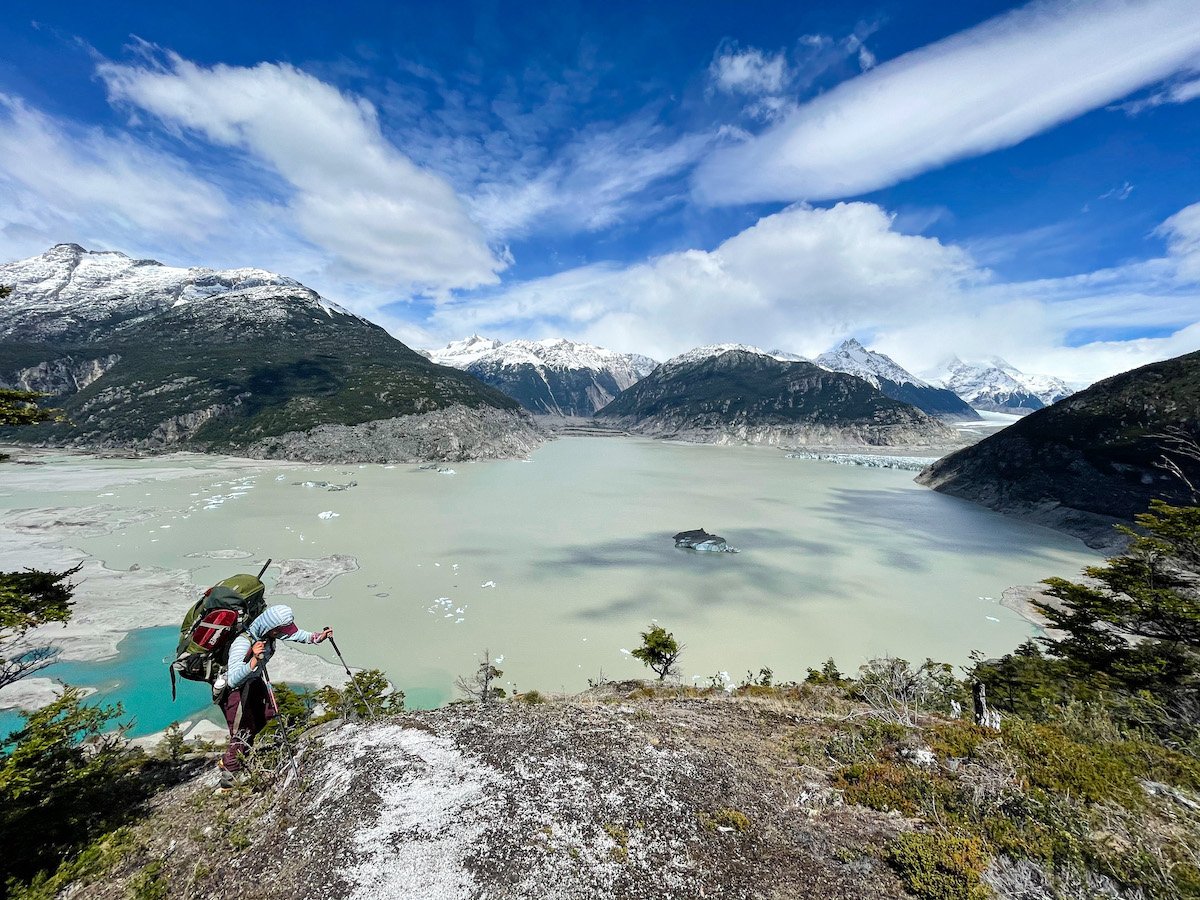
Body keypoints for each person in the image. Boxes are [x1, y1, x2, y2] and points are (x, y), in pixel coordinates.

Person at [217, 605, 332, 787]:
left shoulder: (268, 635)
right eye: (280, 630)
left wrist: (318, 637)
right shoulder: (243, 642)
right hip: (236, 691)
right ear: (272, 628)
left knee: (264, 717)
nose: (284, 633)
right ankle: (229, 777)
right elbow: (232, 680)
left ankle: (243, 758)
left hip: (254, 682)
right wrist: (254, 660)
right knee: (241, 731)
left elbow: (296, 634)